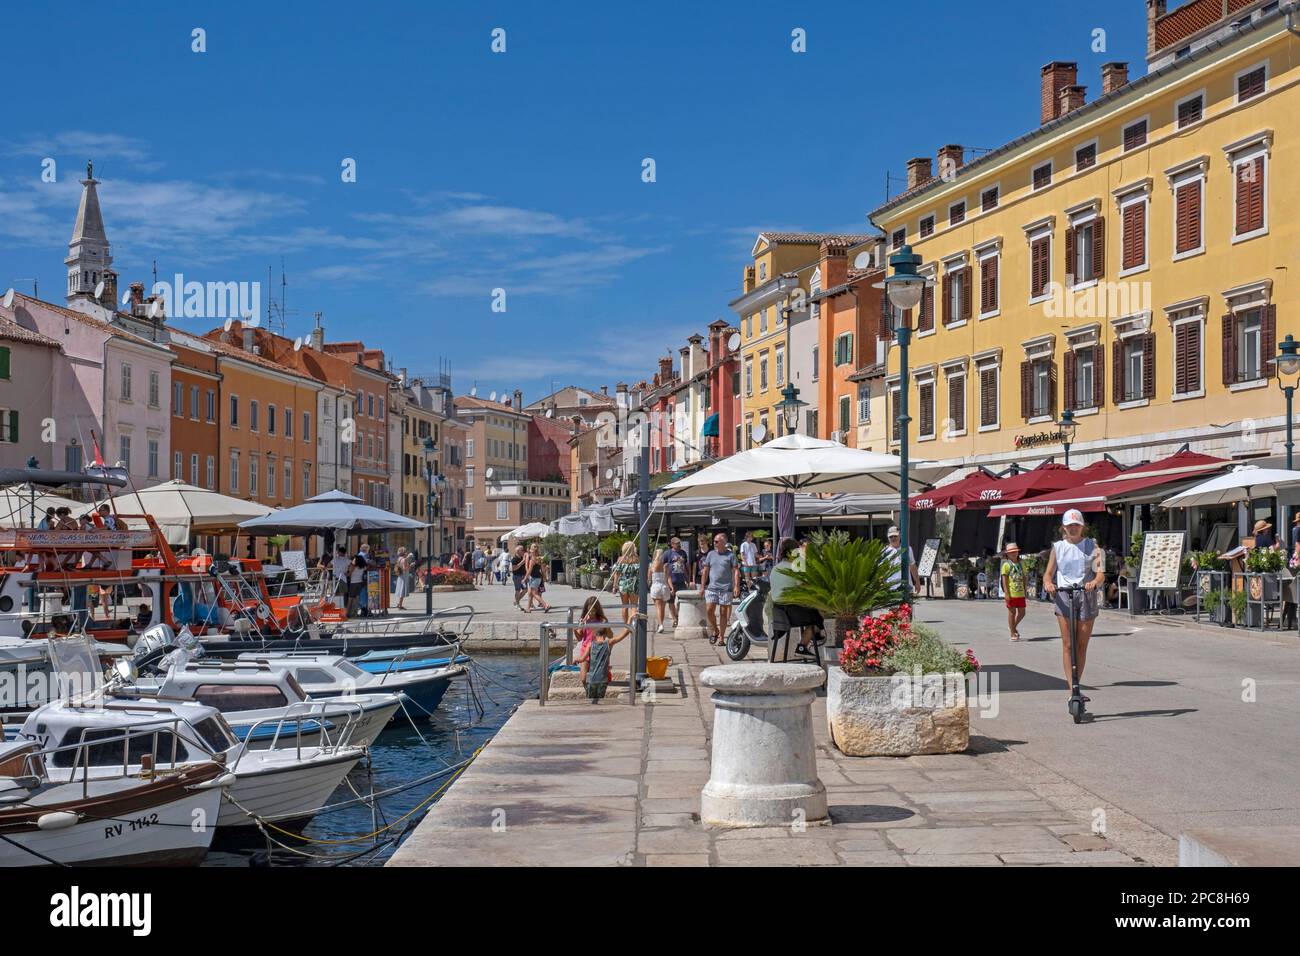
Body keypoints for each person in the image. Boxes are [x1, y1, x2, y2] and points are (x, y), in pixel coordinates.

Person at [1043, 509, 1106, 704]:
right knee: (1068, 643)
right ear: (1064, 527)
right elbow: (1048, 573)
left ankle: (1078, 683)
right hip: (1064, 594)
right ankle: (1073, 689)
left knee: (1081, 644)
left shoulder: (1092, 546)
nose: (1073, 528)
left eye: (1076, 525)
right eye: (1069, 525)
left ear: (1082, 526)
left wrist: (1094, 582)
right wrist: (1048, 583)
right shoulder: (1058, 547)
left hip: (1086, 595)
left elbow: (1100, 573)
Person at [769, 537, 823, 656]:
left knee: (814, 614)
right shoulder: (796, 567)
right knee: (819, 617)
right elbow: (804, 587)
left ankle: (815, 636)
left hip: (779, 615)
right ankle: (802, 646)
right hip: (794, 614)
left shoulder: (775, 568)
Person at [575, 596, 629, 703]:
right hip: (586, 649)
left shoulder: (602, 620)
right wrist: (576, 628)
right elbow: (579, 638)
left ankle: (597, 694)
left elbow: (610, 635)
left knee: (599, 676)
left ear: (597, 610)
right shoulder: (584, 620)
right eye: (589, 611)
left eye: (594, 611)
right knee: (583, 678)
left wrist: (606, 626)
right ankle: (589, 692)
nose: (591, 613)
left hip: (598, 651)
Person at [700, 532, 740, 645]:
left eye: (716, 541)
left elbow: (736, 571)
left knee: (723, 613)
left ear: (724, 542)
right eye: (714, 541)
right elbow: (705, 571)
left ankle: (721, 638)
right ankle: (715, 630)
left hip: (726, 588)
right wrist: (702, 587)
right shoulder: (711, 554)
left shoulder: (731, 555)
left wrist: (736, 585)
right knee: (709, 610)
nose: (714, 543)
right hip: (712, 587)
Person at [1001, 542, 1027, 641]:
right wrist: (1006, 593)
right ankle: (1012, 633)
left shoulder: (1022, 563)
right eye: (1011, 552)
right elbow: (1004, 580)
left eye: (1015, 551)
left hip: (1020, 593)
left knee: (1022, 613)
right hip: (1011, 593)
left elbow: (1025, 577)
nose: (1014, 553)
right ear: (1007, 554)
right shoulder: (1006, 565)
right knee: (1012, 613)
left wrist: (1025, 589)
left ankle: (1013, 627)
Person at [609, 541, 640, 625]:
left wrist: (614, 586)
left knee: (624, 606)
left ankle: (626, 624)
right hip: (634, 584)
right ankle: (634, 624)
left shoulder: (620, 559)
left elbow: (617, 574)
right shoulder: (637, 559)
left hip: (623, 584)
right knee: (634, 606)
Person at [884, 526, 920, 595]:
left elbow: (913, 566)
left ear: (899, 536)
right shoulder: (884, 552)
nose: (893, 538)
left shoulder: (908, 549)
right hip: (891, 589)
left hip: (906, 587)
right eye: (891, 537)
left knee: (907, 606)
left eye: (895, 536)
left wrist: (917, 582)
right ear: (888, 538)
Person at [665, 536, 689, 626]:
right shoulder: (668, 553)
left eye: (680, 544)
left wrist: (688, 579)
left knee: (682, 601)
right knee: (671, 601)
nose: (679, 545)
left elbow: (686, 566)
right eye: (677, 544)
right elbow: (664, 566)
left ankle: (678, 615)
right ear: (672, 544)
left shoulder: (683, 553)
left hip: (681, 580)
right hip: (671, 580)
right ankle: (675, 619)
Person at [648, 548, 674, 632]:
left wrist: (649, 583)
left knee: (658, 608)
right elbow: (668, 577)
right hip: (664, 587)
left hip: (656, 586)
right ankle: (660, 624)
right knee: (662, 608)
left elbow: (648, 578)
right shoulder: (665, 565)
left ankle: (661, 625)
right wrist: (671, 587)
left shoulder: (652, 565)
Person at [525, 543, 552, 613]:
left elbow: (529, 570)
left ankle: (545, 605)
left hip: (533, 577)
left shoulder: (532, 559)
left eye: (531, 551)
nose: (530, 552)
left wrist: (525, 578)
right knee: (530, 593)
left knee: (534, 593)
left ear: (532, 551)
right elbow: (543, 569)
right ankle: (528, 608)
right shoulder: (539, 558)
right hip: (538, 577)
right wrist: (544, 577)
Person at [509, 545, 528, 609]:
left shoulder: (522, 557)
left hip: (523, 576)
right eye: (522, 550)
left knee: (525, 590)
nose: (523, 551)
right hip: (517, 576)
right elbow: (514, 569)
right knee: (518, 590)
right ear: (518, 551)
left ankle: (516, 601)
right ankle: (517, 604)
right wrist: (522, 562)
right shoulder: (514, 559)